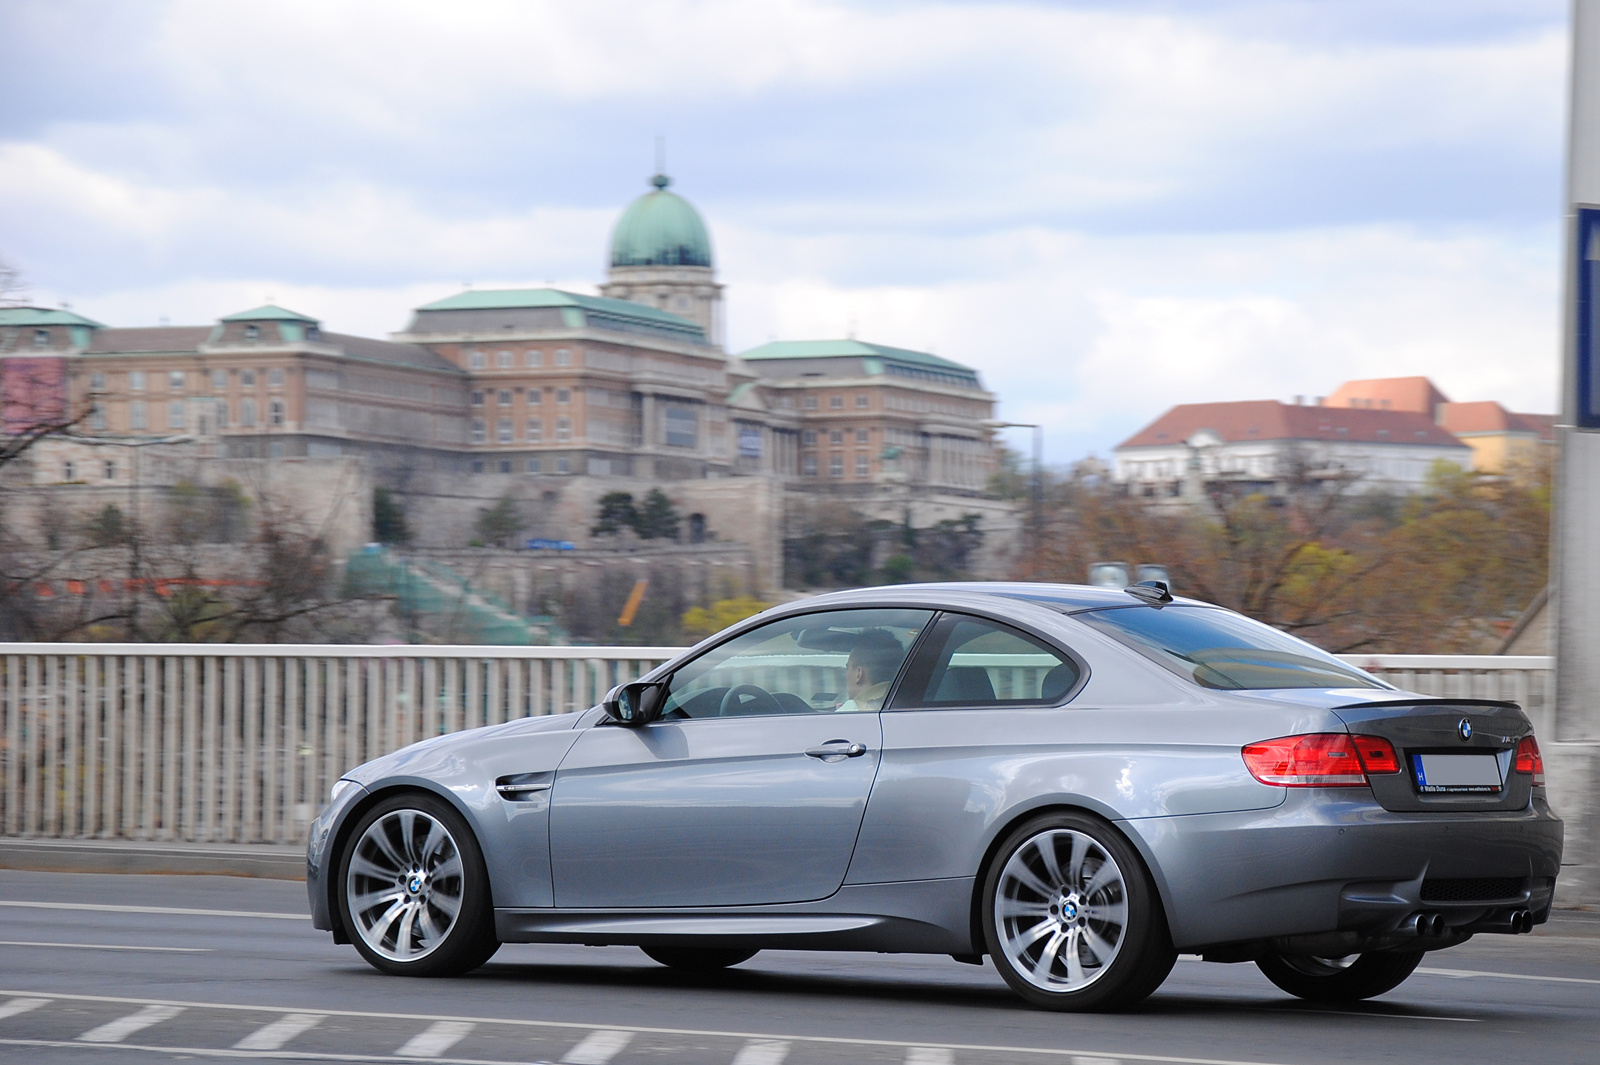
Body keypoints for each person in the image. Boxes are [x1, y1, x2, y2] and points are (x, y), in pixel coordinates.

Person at [835, 629, 905, 712]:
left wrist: (846, 709)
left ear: (859, 673)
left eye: (848, 668)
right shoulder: (910, 701)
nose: (846, 675)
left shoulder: (851, 710)